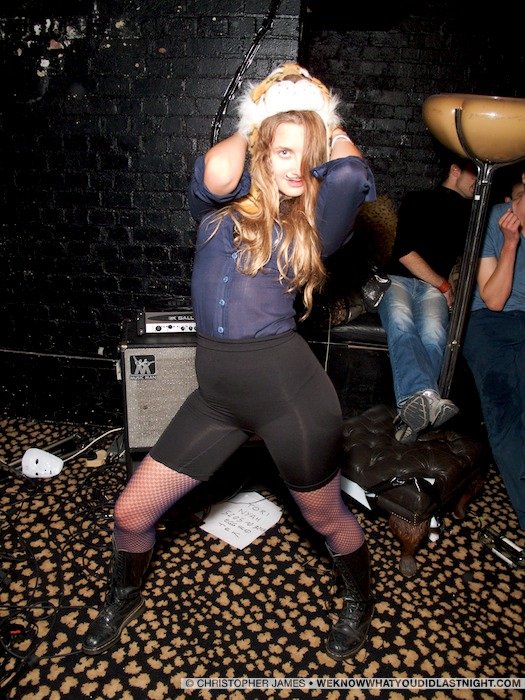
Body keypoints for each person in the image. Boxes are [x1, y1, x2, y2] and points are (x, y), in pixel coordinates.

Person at [82, 63, 377, 660]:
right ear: (263, 148)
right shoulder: (220, 205)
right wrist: (259, 114)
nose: (296, 167)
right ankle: (124, 596)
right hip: (216, 398)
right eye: (283, 151)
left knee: (326, 518)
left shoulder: (314, 223)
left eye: (307, 157)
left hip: (291, 399)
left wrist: (324, 116)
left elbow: (349, 172)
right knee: (132, 511)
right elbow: (217, 169)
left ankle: (360, 602)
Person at [377, 157, 477, 443]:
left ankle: (412, 414)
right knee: (401, 323)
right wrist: (443, 284)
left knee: (434, 335)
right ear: (454, 169)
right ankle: (428, 398)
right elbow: (404, 253)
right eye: (473, 172)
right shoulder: (418, 199)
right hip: (399, 279)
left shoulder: (472, 214)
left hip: (433, 289)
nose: (477, 180)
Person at [462, 173, 525, 530]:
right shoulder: (497, 218)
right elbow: (494, 299)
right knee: (505, 414)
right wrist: (510, 243)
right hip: (489, 321)